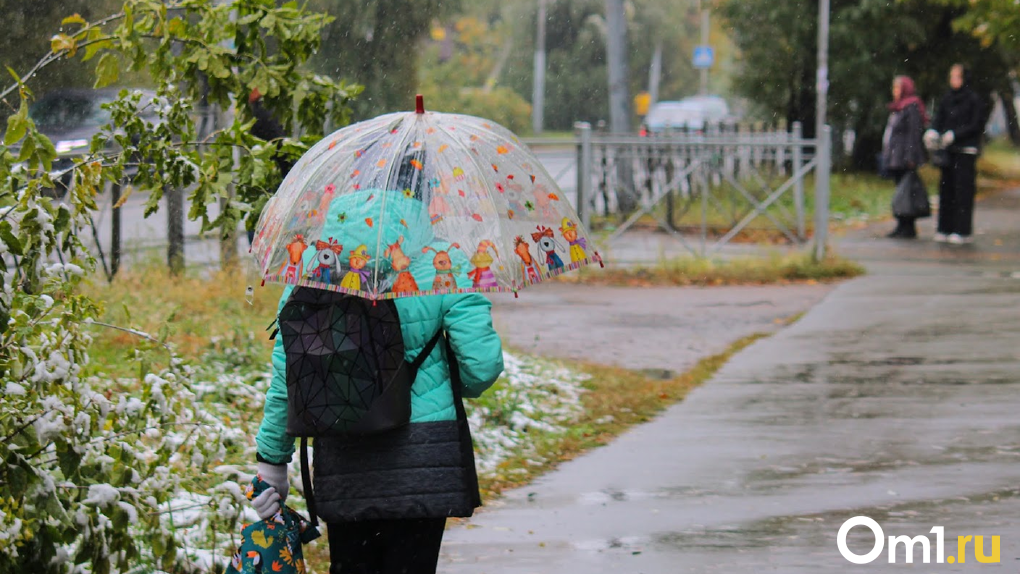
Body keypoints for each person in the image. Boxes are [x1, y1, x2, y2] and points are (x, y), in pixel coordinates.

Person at [251, 185, 505, 574]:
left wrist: (272, 460)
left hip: (343, 448)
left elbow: (289, 377)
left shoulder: (316, 266)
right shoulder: (444, 261)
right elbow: (482, 365)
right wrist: (448, 387)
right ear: (421, 199)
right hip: (424, 453)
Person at [924, 64, 985, 244]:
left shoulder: (973, 100)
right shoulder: (947, 98)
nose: (953, 80)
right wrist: (933, 131)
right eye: (952, 76)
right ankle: (945, 227)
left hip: (965, 151)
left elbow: (975, 125)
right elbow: (939, 118)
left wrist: (956, 134)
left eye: (957, 76)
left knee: (963, 191)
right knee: (946, 190)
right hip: (948, 151)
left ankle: (962, 230)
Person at [882, 75, 928, 238]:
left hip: (905, 157)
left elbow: (914, 133)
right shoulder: (898, 108)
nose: (894, 92)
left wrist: (911, 157)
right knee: (901, 191)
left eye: (897, 88)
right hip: (896, 156)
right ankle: (901, 224)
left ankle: (908, 226)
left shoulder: (911, 107)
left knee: (907, 191)